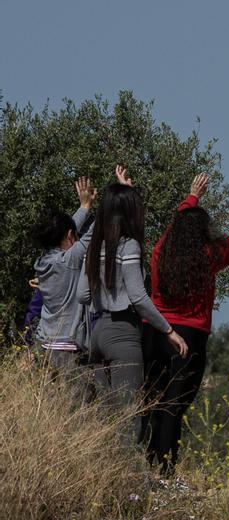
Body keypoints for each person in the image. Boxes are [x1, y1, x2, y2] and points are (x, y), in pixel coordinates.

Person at [141, 175, 229, 473]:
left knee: (152, 402)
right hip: (190, 337)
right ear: (202, 232)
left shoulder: (159, 253)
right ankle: (164, 472)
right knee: (175, 406)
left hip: (154, 332)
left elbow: (172, 230)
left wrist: (191, 198)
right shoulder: (209, 255)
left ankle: (147, 466)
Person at [80, 166, 188, 442]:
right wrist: (169, 331)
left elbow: (83, 295)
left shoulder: (95, 247)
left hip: (97, 333)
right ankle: (131, 480)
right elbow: (139, 297)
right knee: (128, 416)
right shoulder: (129, 247)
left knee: (104, 416)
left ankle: (107, 479)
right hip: (123, 333)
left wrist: (122, 189)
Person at [30, 176, 96, 390]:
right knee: (74, 406)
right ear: (70, 236)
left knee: (51, 405)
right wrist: (121, 195)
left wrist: (84, 207)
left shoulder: (44, 261)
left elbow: (67, 232)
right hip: (67, 347)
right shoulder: (69, 259)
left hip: (45, 345)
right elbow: (97, 230)